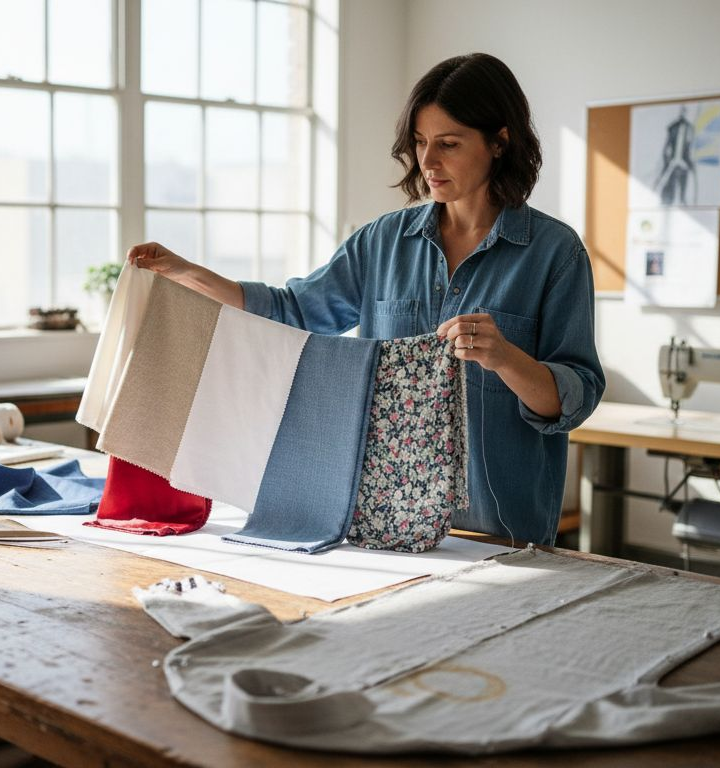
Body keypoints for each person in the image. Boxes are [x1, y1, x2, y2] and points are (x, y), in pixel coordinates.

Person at [125, 53, 604, 546]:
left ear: (499, 142)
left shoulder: (556, 254)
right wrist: (186, 273)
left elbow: (575, 397)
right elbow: (294, 310)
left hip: (501, 531)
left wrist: (504, 357)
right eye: (420, 143)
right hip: (382, 524)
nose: (428, 162)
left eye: (449, 144)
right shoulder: (380, 242)